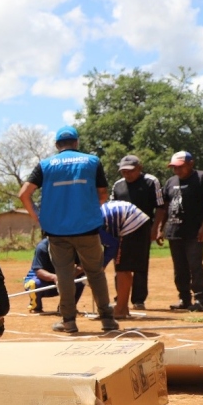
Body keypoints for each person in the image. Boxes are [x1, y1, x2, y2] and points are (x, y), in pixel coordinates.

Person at [17, 126, 118, 334]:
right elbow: (102, 194)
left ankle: (69, 321)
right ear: (76, 143)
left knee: (63, 275)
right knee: (95, 272)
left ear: (57, 145)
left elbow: (24, 194)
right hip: (88, 228)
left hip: (56, 231)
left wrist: (38, 217)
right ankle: (107, 319)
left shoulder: (45, 165)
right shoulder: (92, 162)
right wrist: (87, 209)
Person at [162, 151, 203, 312]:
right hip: (174, 231)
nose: (177, 170)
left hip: (194, 231)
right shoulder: (170, 182)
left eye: (180, 167)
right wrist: (160, 228)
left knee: (195, 265)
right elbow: (165, 207)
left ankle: (200, 299)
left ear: (191, 164)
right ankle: (184, 298)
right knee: (179, 268)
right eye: (174, 167)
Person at [110, 155, 165, 310]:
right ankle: (121, 297)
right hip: (121, 231)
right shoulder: (118, 185)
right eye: (123, 171)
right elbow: (112, 208)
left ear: (139, 168)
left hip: (143, 230)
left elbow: (160, 207)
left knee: (140, 266)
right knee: (120, 266)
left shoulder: (151, 181)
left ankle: (138, 299)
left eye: (130, 171)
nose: (127, 174)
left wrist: (156, 228)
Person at [100, 200, 151, 319]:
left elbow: (112, 245)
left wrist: (102, 265)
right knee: (122, 267)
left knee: (122, 268)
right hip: (137, 222)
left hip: (132, 224)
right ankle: (123, 308)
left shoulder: (91, 228)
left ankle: (120, 309)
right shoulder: (90, 223)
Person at [23, 238, 85, 313]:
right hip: (43, 282)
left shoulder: (71, 244)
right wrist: (55, 277)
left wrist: (70, 275)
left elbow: (82, 263)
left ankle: (66, 307)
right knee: (33, 284)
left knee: (82, 278)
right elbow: (38, 271)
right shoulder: (42, 247)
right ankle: (36, 306)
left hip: (63, 281)